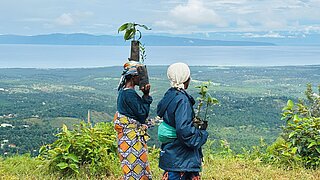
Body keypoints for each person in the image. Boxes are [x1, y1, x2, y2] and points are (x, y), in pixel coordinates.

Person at [157, 62, 208, 180]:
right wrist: (202, 135)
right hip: (181, 160)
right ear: (186, 79)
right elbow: (184, 132)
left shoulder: (170, 95)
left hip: (171, 156)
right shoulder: (182, 100)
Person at [114, 61, 152, 180]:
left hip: (126, 139)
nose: (141, 79)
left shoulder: (123, 92)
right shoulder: (130, 94)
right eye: (139, 76)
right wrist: (146, 96)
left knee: (131, 167)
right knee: (136, 168)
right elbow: (142, 115)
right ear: (133, 77)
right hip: (132, 140)